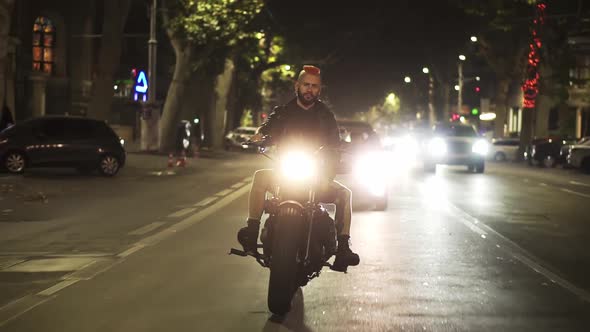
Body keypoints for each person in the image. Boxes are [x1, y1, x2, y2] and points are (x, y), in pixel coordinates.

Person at [237, 65, 359, 272]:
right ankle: (251, 230)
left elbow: (335, 147)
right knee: (260, 177)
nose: (309, 90)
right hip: (286, 171)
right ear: (297, 86)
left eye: (314, 86)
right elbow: (266, 129)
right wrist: (259, 136)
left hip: (316, 175)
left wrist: (330, 172)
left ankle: (343, 249)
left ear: (319, 90)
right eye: (306, 85)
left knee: (345, 195)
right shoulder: (283, 112)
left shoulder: (325, 116)